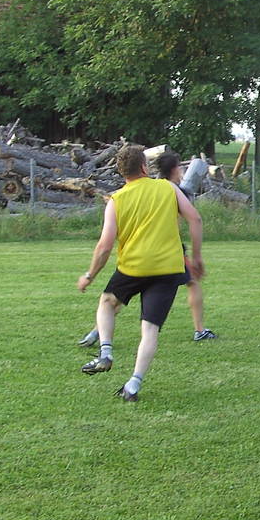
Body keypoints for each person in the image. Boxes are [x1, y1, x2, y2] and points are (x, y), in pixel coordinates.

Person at [77, 144, 204, 402]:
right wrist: (197, 257)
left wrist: (90, 275)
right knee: (150, 329)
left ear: (122, 172)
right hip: (168, 268)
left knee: (107, 302)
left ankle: (106, 352)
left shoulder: (117, 200)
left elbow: (104, 246)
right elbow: (195, 219)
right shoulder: (168, 188)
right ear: (144, 167)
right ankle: (134, 384)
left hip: (133, 267)